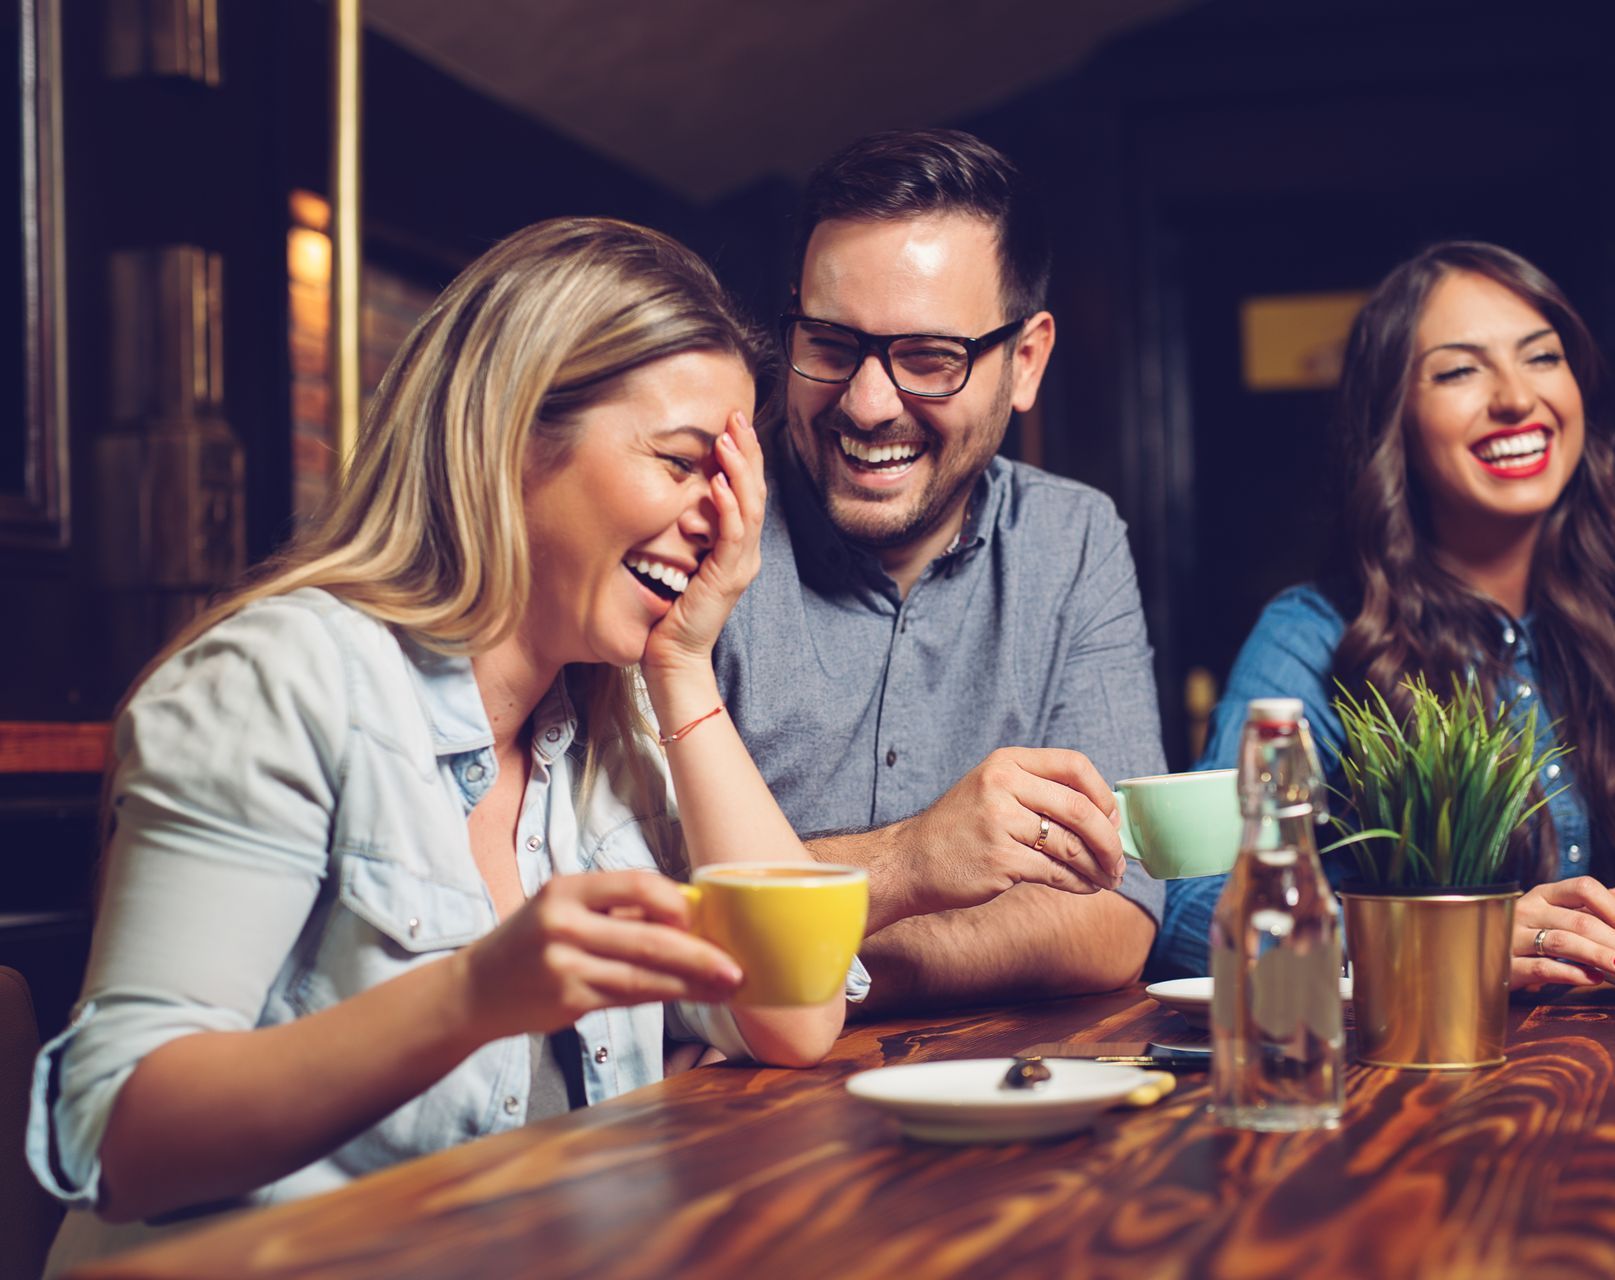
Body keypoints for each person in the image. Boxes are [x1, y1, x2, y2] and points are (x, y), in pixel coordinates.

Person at [28, 218, 848, 1266]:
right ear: (515, 437)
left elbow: (794, 1011)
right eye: (686, 463)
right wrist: (470, 994)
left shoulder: (614, 725)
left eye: (733, 483)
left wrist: (684, 670)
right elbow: (120, 1134)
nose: (722, 524)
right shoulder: (280, 680)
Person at [714, 129, 1166, 1012]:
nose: (866, 403)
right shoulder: (693, 523)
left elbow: (1116, 913)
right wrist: (914, 861)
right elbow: (630, 909)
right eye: (830, 344)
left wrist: (791, 954)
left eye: (928, 358)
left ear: (1024, 361)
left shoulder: (1072, 539)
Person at [1152, 241, 1615, 988]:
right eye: (1459, 370)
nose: (1514, 398)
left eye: (1540, 357)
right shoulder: (1313, 635)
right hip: (1418, 1083)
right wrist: (1455, 941)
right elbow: (1196, 916)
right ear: (1392, 416)